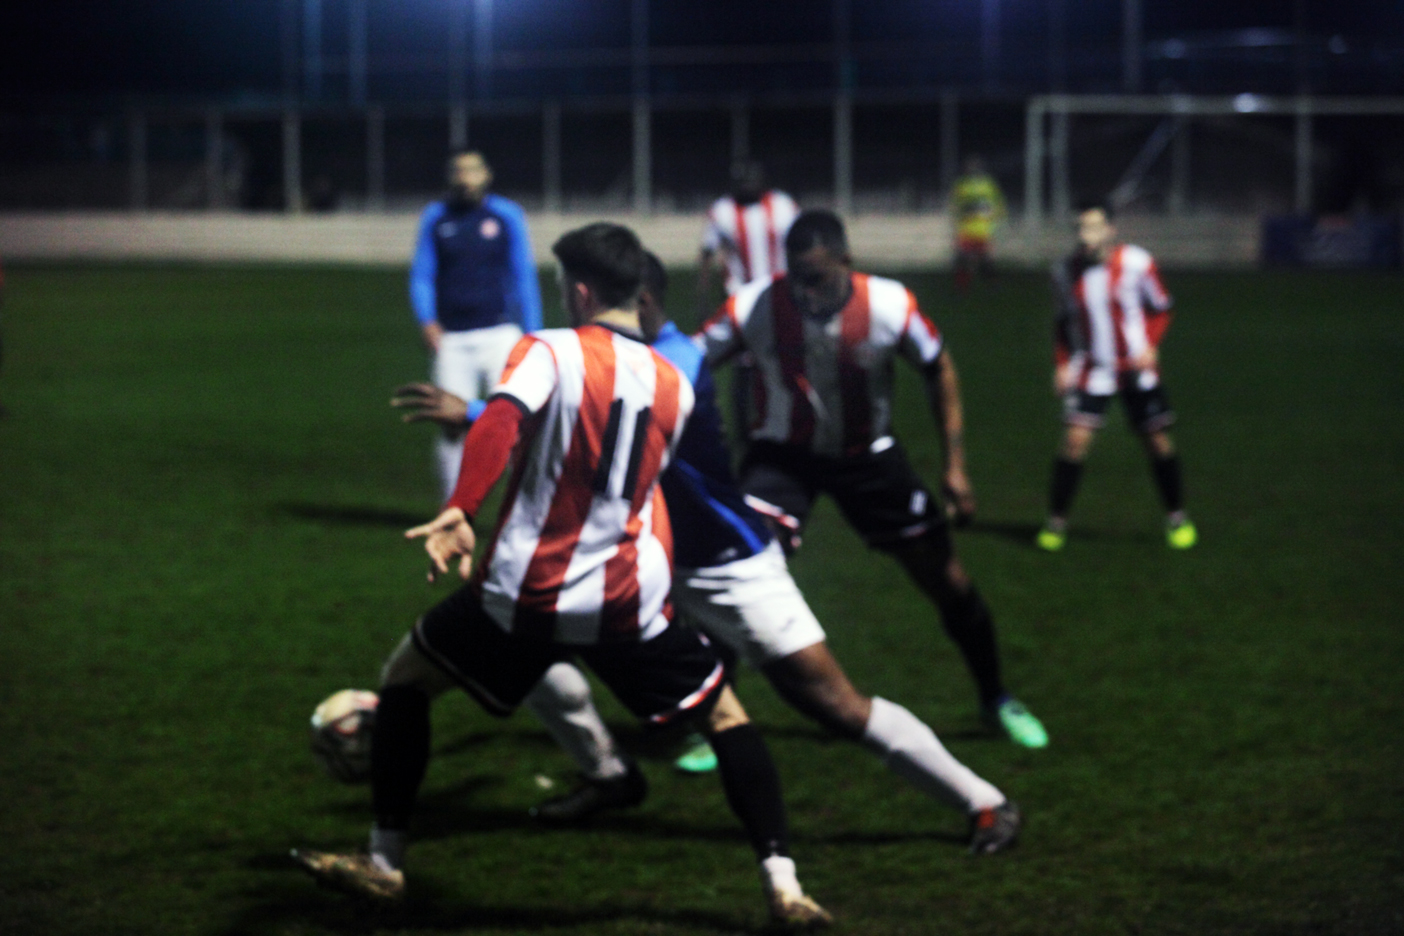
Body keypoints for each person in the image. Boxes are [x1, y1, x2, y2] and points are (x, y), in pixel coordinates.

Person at [393, 252, 1024, 855]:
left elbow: (592, 410)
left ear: (639, 302)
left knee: (829, 700)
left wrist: (478, 410)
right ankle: (608, 773)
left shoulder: (672, 364)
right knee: (524, 624)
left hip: (722, 562)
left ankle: (983, 800)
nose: (582, 313)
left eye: (595, 299)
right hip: (635, 563)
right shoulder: (622, 357)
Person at [295, 223, 830, 928]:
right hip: (626, 601)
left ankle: (385, 861)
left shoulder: (547, 349)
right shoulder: (674, 382)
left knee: (404, 683)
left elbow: (499, 422)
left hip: (526, 594)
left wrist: (461, 507)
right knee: (727, 717)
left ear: (579, 291)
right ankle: (785, 886)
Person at [697, 210, 1049, 749]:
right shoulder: (755, 305)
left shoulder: (889, 305)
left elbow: (938, 366)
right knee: (735, 575)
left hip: (868, 456)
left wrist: (955, 466)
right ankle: (716, 723)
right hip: (782, 459)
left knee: (946, 579)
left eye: (818, 278)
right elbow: (686, 362)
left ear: (847, 261)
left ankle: (996, 698)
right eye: (797, 278)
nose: (807, 292)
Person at [1037, 201, 1197, 552]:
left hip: (1136, 369)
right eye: (1080, 228)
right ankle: (1055, 523)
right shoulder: (1063, 271)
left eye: (1093, 227)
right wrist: (1061, 363)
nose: (1085, 236)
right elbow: (1062, 321)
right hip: (1091, 369)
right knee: (1074, 442)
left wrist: (1151, 346)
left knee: (1157, 441)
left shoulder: (1138, 263)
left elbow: (1162, 308)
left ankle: (1177, 517)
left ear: (1111, 229)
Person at [409, 149, 543, 501]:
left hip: (502, 335)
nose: (465, 177)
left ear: (487, 175)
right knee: (451, 425)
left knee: (517, 422)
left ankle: (524, 509)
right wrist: (426, 320)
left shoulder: (507, 215)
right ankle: (452, 511)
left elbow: (523, 277)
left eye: (472, 170)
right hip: (452, 339)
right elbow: (422, 274)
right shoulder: (436, 217)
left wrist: (533, 335)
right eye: (458, 170)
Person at [950, 156, 1006, 293]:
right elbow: (955, 205)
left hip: (984, 229)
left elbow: (998, 204)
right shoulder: (962, 185)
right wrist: (957, 223)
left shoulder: (988, 185)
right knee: (963, 259)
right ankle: (961, 286)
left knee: (986, 260)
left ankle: (992, 284)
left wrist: (994, 221)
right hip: (966, 229)